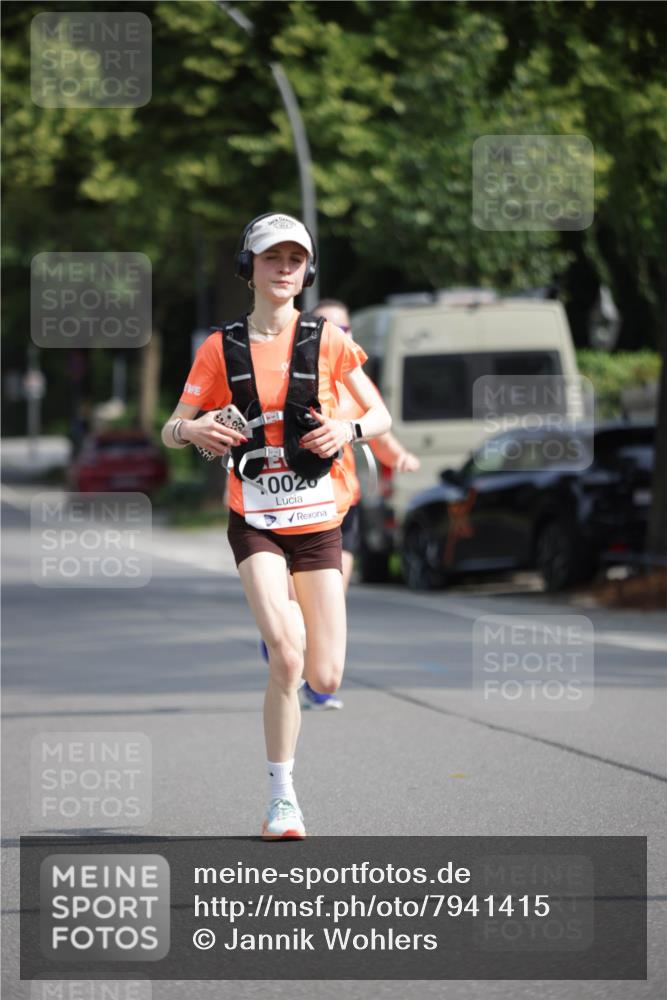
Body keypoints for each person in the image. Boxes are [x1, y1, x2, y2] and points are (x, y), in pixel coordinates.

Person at [161, 213, 391, 839]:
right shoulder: (220, 347)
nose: (284, 268)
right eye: (272, 258)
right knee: (288, 660)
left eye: (295, 259)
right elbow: (171, 425)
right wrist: (192, 429)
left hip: (319, 520)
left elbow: (379, 413)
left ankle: (289, 631)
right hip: (255, 516)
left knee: (326, 676)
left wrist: (348, 429)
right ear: (250, 268)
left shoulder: (330, 339)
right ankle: (281, 798)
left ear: (307, 270)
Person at [298, 299, 420, 709]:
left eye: (346, 330)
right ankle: (283, 637)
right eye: (331, 328)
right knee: (298, 604)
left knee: (333, 595)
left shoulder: (352, 388)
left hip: (342, 506)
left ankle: (318, 683)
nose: (341, 336)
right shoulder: (296, 383)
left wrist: (399, 456)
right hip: (296, 507)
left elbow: (380, 433)